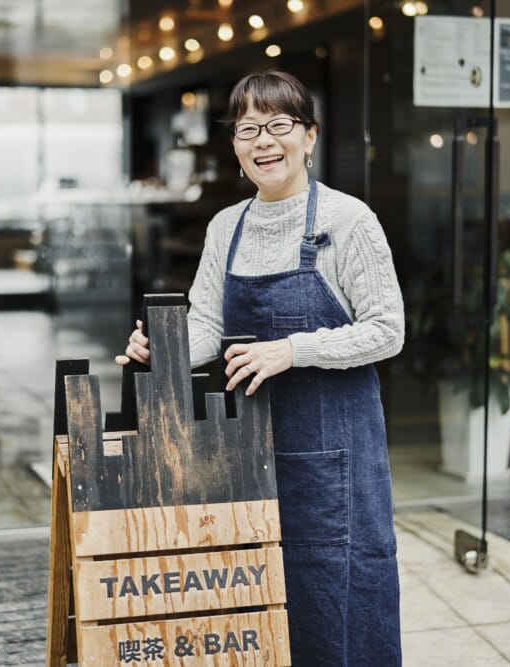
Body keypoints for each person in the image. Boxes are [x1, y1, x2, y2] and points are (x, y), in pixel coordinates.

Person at [116, 69, 404, 665]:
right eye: (248, 128)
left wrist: (293, 350)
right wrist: (162, 349)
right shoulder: (227, 226)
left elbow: (387, 331)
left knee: (337, 593)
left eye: (279, 125)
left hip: (335, 457)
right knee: (254, 594)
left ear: (310, 136)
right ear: (235, 144)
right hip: (246, 450)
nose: (264, 141)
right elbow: (209, 327)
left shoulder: (350, 222)